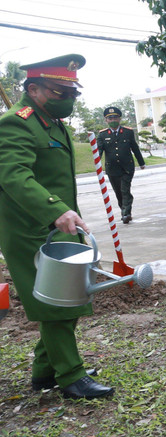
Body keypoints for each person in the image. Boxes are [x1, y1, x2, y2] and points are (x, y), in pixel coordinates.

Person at [0, 54, 113, 399]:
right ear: (33, 89)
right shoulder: (16, 123)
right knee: (55, 303)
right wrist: (54, 211)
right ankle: (70, 376)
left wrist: (63, 215)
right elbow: (14, 175)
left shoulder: (50, 121)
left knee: (69, 294)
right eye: (59, 91)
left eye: (73, 92)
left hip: (59, 224)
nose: (68, 98)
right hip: (29, 227)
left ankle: (45, 370)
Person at [97, 105, 145, 223]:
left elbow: (135, 148)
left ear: (119, 119)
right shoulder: (102, 135)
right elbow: (99, 151)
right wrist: (97, 164)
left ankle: (126, 213)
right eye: (110, 118)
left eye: (115, 118)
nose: (113, 120)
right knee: (118, 192)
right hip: (112, 168)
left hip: (127, 167)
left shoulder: (128, 132)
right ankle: (124, 210)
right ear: (106, 120)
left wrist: (141, 163)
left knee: (125, 190)